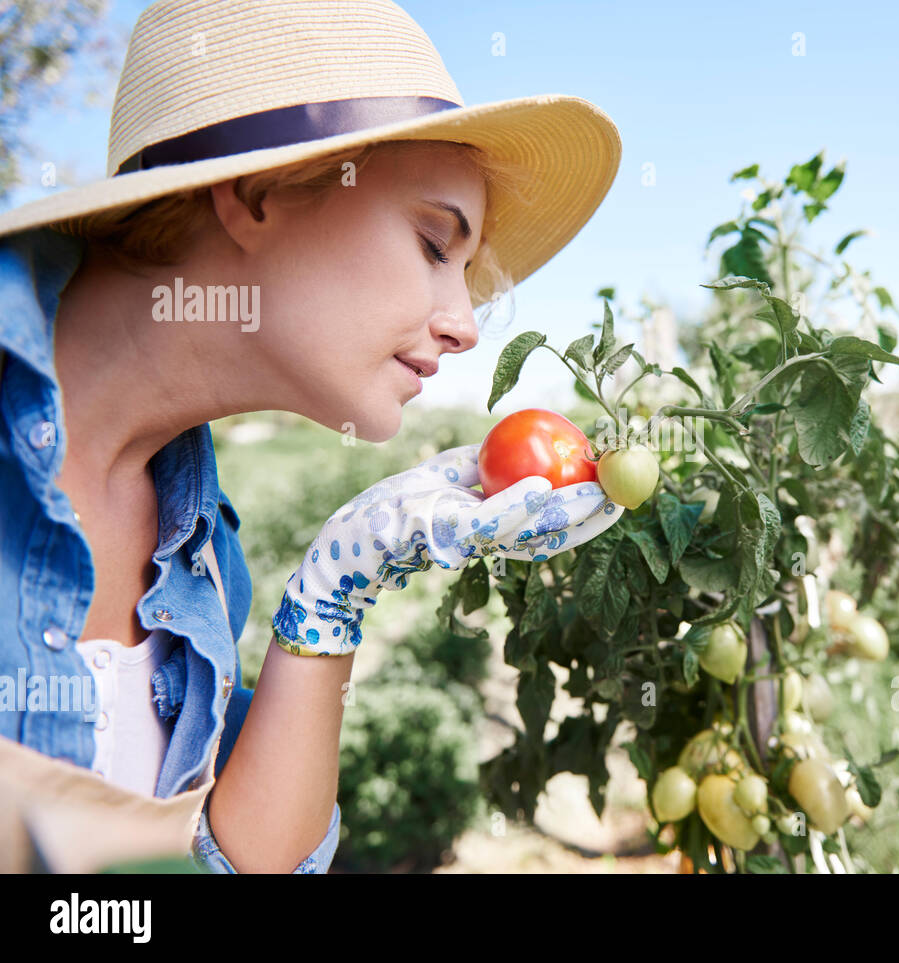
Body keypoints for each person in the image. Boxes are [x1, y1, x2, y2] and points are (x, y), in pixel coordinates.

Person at [0, 0, 622, 873]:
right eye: (435, 244)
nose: (465, 325)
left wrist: (334, 588)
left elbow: (239, 862)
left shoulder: (199, 549)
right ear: (257, 197)